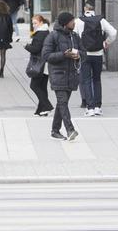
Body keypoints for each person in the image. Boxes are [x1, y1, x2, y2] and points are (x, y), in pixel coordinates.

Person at [42, 12, 85, 141]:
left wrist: (79, 55)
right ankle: (70, 129)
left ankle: (55, 130)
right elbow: (46, 56)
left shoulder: (75, 36)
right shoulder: (52, 36)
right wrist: (63, 55)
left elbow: (84, 52)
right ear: (65, 23)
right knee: (63, 102)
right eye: (72, 21)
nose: (74, 23)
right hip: (58, 74)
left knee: (62, 104)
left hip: (71, 75)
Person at [74, 0, 118, 116]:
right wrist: (105, 43)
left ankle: (90, 107)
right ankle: (98, 107)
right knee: (97, 80)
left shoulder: (78, 21)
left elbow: (73, 36)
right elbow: (113, 32)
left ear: (85, 8)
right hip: (98, 54)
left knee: (86, 80)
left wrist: (76, 50)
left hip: (85, 55)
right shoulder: (101, 20)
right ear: (94, 9)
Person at [25, 15, 53, 117]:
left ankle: (47, 106)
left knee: (34, 85)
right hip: (45, 62)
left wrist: (26, 46)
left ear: (41, 22)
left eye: (35, 23)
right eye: (33, 23)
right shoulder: (46, 32)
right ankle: (41, 110)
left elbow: (36, 49)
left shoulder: (40, 33)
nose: (33, 25)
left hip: (39, 63)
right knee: (42, 87)